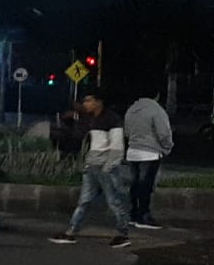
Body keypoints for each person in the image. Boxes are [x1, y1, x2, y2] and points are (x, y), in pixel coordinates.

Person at [50, 93, 132, 248]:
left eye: (89, 101)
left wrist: (108, 168)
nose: (85, 104)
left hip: (106, 167)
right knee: (84, 201)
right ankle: (71, 232)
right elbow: (79, 135)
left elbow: (117, 148)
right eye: (84, 101)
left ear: (98, 102)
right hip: (92, 166)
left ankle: (123, 234)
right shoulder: (91, 119)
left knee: (114, 201)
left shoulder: (111, 119)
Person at [123, 89, 173, 229]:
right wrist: (167, 147)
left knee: (135, 184)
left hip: (133, 151)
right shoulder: (156, 110)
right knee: (146, 185)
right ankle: (144, 216)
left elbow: (126, 132)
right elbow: (163, 133)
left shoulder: (131, 110)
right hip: (150, 153)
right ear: (157, 94)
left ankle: (133, 214)